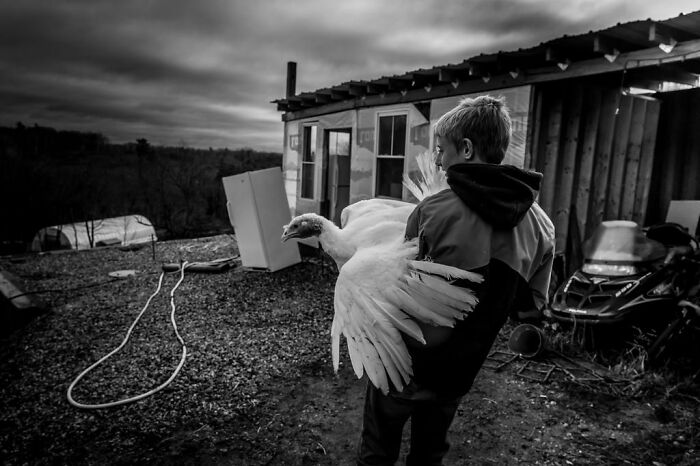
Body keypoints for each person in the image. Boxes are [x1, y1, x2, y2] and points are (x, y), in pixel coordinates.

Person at [356, 95, 555, 465]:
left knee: (377, 450)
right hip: (459, 373)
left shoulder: (431, 212)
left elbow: (400, 291)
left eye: (440, 149)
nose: (435, 160)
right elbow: (529, 312)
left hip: (403, 365)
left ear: (465, 149)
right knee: (429, 453)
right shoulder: (542, 227)